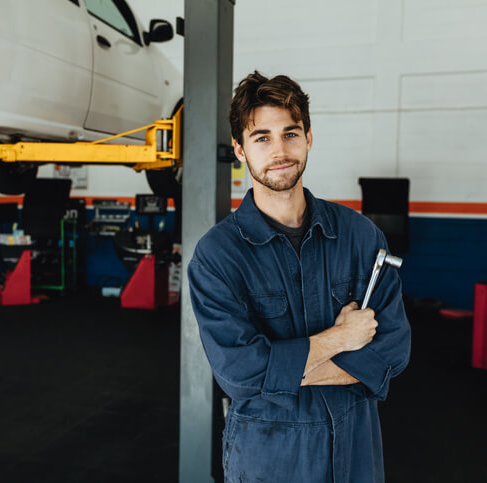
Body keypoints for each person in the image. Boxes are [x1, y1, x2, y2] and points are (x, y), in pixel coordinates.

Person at [188, 72, 411, 482]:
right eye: (262, 138)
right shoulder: (217, 256)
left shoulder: (360, 236)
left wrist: (279, 371)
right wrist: (340, 340)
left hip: (357, 453)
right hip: (269, 459)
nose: (280, 151)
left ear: (309, 138)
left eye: (290, 133)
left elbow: (392, 351)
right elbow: (240, 374)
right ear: (240, 149)